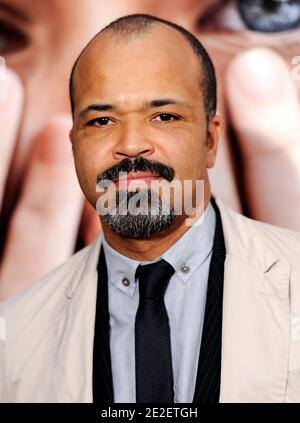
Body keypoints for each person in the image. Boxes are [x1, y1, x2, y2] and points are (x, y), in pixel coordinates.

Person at [1, 14, 300, 403]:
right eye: (102, 120)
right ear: (72, 144)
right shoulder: (15, 330)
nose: (132, 145)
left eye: (267, 7)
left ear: (210, 139)